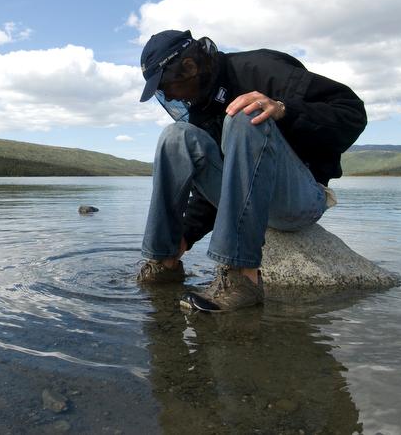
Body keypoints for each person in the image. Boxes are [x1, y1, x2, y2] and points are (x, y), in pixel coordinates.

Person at [136, 29, 367, 311]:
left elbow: (353, 113)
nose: (166, 93)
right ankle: (165, 261)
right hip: (250, 204)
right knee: (175, 137)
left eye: (166, 84)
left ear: (189, 67)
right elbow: (227, 178)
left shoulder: (260, 68)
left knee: (246, 117)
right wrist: (187, 234)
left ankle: (242, 279)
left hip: (299, 199)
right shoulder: (201, 106)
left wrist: (284, 109)